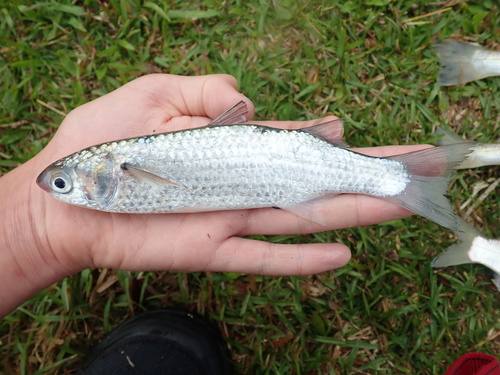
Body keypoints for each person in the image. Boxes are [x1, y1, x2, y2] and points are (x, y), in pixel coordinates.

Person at [5, 74, 497, 373]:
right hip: (276, 157)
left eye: (67, 184)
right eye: (67, 185)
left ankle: (405, 177)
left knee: (384, 179)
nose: (62, 193)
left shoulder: (123, 162)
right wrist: (30, 233)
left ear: (107, 174)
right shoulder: (117, 165)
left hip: (284, 159)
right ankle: (411, 177)